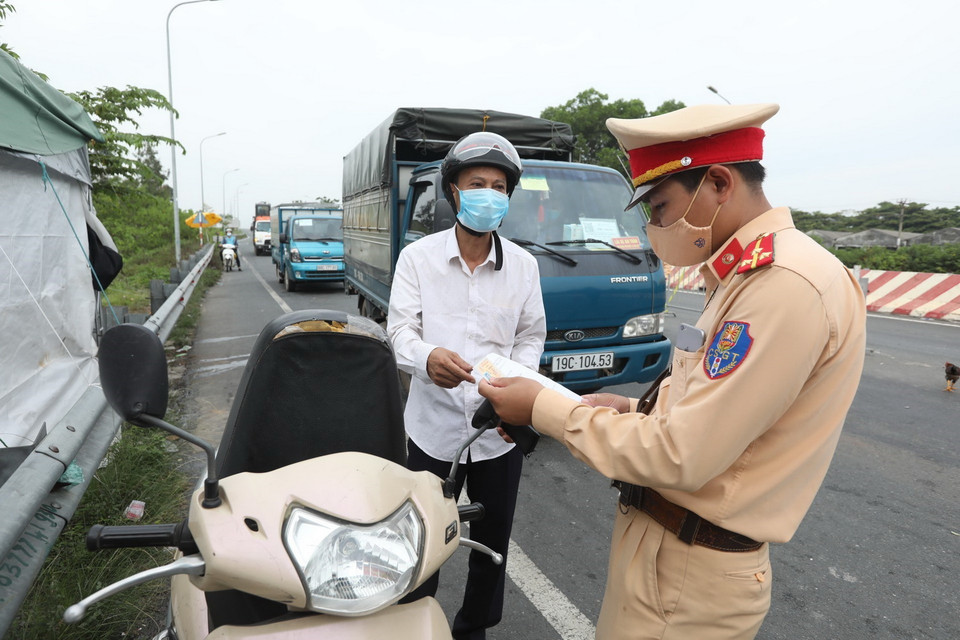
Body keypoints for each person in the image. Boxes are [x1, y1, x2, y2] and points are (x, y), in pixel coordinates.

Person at [479, 103, 866, 639]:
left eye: (660, 208)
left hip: (691, 573)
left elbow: (682, 454)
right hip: (669, 554)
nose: (655, 227)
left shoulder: (784, 284)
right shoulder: (739, 277)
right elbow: (718, 416)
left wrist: (543, 408)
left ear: (718, 182)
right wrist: (636, 408)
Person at [387, 131, 546, 640]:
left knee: (493, 539)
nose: (488, 193)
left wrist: (513, 385)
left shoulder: (523, 266)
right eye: (477, 182)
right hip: (430, 430)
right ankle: (416, 619)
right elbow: (399, 331)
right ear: (454, 191)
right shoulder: (418, 259)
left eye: (499, 186)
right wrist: (424, 357)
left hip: (496, 434)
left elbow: (530, 336)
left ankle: (473, 628)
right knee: (422, 539)